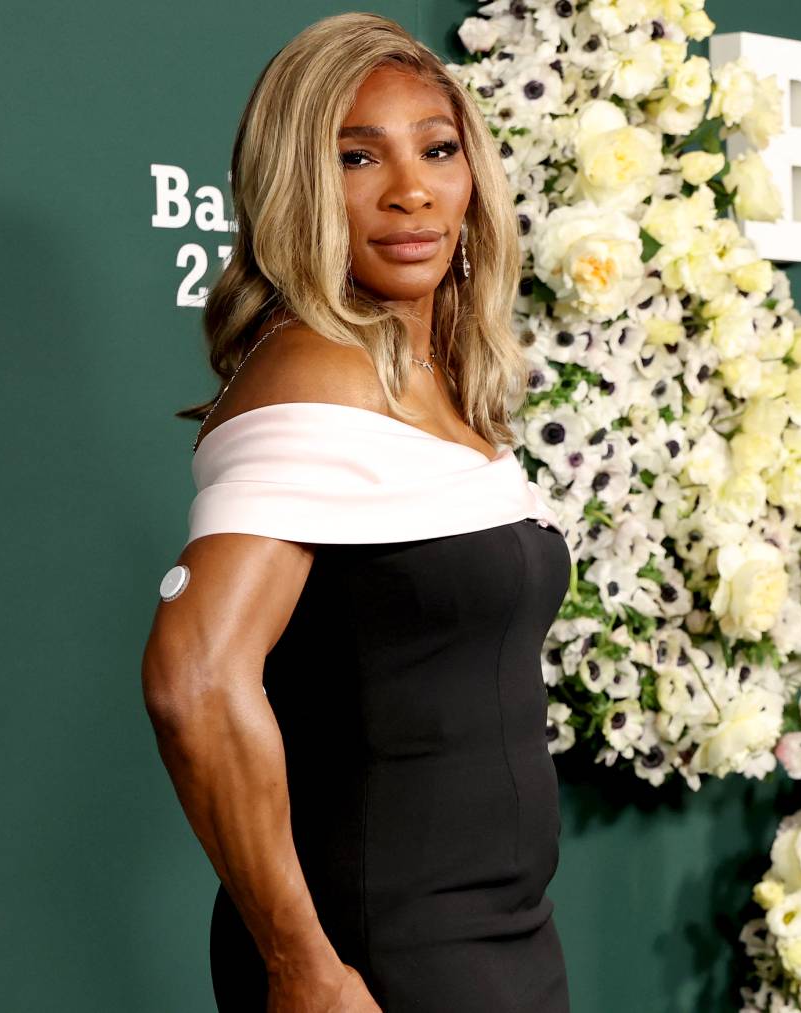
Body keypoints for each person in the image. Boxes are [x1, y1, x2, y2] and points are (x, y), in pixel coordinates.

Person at [138, 13, 571, 1012]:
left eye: (437, 147)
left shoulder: (438, 377)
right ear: (298, 185)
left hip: (491, 925)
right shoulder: (315, 373)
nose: (411, 190)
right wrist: (303, 965)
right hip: (380, 949)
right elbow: (194, 676)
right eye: (356, 156)